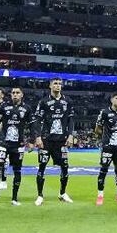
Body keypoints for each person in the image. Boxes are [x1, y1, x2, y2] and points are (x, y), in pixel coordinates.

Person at [32, 77, 74, 206]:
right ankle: (40, 195)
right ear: (50, 85)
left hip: (61, 141)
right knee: (42, 167)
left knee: (65, 167)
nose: (58, 86)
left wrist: (71, 135)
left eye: (60, 84)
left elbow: (71, 120)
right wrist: (38, 137)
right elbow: (37, 120)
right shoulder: (43, 101)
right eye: (55, 83)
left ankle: (62, 193)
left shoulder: (68, 101)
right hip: (46, 140)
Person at [0, 86, 33, 206]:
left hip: (18, 144)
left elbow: (32, 125)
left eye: (17, 92)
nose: (15, 94)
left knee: (17, 170)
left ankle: (14, 198)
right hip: (3, 143)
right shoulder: (4, 107)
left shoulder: (27, 108)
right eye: (13, 92)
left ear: (22, 94)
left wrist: (32, 140)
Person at [94, 93, 117, 206]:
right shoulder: (105, 112)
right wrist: (106, 138)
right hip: (107, 146)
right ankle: (100, 196)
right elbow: (97, 128)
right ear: (112, 100)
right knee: (103, 170)